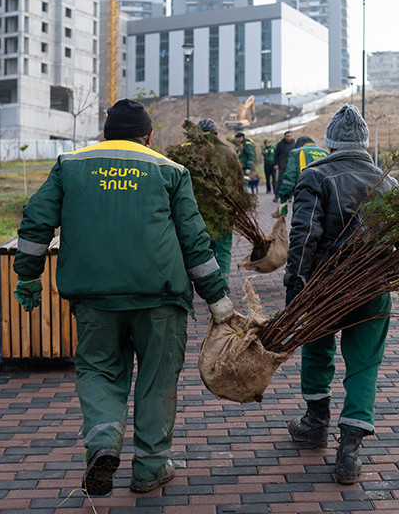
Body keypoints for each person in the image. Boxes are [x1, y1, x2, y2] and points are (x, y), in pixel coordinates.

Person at [12, 99, 234, 496]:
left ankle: (102, 441)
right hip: (160, 298)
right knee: (158, 378)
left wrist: (28, 275)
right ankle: (150, 467)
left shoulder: (70, 165)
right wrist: (216, 297)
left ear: (106, 134)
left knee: (99, 371)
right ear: (148, 136)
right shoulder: (170, 170)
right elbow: (194, 239)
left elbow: (36, 220)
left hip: (95, 298)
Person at [283, 105, 396, 485]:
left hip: (324, 286)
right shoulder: (388, 183)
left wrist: (296, 287)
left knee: (317, 349)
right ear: (364, 143)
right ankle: (349, 451)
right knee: (364, 364)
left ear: (329, 144)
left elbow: (304, 236)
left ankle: (315, 423)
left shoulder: (315, 176)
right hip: (372, 287)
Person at [196, 118, 246, 277]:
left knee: (206, 247)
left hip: (201, 209)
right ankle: (223, 283)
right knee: (223, 247)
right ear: (216, 133)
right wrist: (241, 206)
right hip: (225, 208)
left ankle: (211, 282)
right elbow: (239, 181)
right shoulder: (228, 152)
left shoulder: (192, 153)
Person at [277, 136, 328, 211]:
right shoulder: (326, 152)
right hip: (325, 197)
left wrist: (283, 199)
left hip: (305, 196)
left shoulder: (296, 152)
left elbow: (290, 177)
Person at [273, 131, 296, 202]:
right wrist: (276, 164)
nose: (289, 138)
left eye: (290, 136)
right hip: (282, 166)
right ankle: (276, 196)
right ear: (285, 136)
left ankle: (289, 197)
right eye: (287, 136)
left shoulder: (294, 144)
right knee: (280, 181)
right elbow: (276, 155)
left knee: (290, 182)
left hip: (291, 167)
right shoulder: (280, 144)